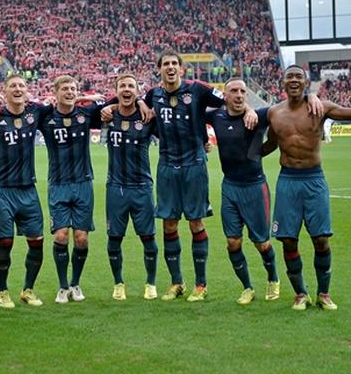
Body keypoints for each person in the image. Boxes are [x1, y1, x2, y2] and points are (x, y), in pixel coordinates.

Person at [144, 50, 256, 302]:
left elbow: (228, 99)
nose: (170, 67)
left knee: (195, 222)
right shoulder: (153, 95)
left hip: (193, 164)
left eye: (175, 63)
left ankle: (201, 285)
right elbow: (140, 100)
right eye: (166, 64)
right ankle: (176, 282)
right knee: (169, 223)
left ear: (181, 69)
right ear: (159, 69)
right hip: (166, 165)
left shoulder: (198, 89)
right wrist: (142, 104)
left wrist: (248, 108)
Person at [262, 65, 351, 311]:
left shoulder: (320, 107)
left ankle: (324, 293)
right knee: (288, 240)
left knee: (321, 239)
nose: (293, 80)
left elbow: (347, 112)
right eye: (289, 76)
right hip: (288, 180)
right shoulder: (273, 113)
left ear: (306, 82)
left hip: (314, 179)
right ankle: (300, 293)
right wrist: (245, 158)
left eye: (298, 77)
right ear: (282, 82)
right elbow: (270, 143)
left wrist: (316, 98)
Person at [205, 78, 280, 304]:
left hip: (255, 187)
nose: (239, 95)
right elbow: (192, 114)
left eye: (243, 92)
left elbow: (285, 108)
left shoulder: (259, 116)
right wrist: (201, 140)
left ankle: (273, 278)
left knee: (262, 243)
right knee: (233, 243)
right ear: (224, 96)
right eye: (234, 91)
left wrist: (312, 97)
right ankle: (247, 287)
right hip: (230, 187)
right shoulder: (216, 115)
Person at [0, 73, 51, 308]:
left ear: (27, 90)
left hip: (27, 188)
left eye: (21, 85)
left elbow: (64, 103)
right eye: (13, 86)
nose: (18, 89)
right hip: (1, 188)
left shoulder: (35, 112)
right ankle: (2, 291)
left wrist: (88, 97)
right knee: (6, 242)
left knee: (37, 241)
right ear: (5, 91)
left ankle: (28, 290)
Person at [37, 75, 104, 303]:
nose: (69, 92)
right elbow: (24, 108)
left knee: (82, 238)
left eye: (73, 89)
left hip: (83, 182)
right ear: (55, 92)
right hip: (58, 184)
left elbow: (116, 103)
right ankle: (63, 286)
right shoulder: (45, 117)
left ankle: (76, 284)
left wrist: (86, 98)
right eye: (64, 88)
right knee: (61, 235)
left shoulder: (86, 115)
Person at [104, 74, 158, 301]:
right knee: (114, 238)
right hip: (116, 187)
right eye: (122, 86)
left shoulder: (147, 117)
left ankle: (151, 283)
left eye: (131, 86)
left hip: (142, 186)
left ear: (137, 92)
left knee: (148, 237)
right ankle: (118, 283)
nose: (126, 90)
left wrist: (203, 140)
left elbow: (176, 130)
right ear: (116, 91)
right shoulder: (107, 114)